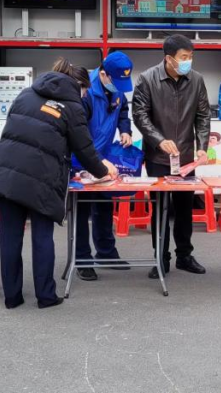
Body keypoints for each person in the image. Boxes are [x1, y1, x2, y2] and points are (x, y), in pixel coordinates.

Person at [0, 59, 118, 309]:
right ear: (78, 85)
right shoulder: (72, 107)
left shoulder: (26, 94)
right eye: (84, 91)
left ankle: (12, 297)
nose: (84, 96)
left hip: (7, 174)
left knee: (10, 238)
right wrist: (103, 171)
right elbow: (85, 150)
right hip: (42, 180)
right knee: (42, 237)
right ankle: (45, 296)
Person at [132, 34, 211, 278]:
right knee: (160, 209)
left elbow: (203, 115)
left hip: (186, 159)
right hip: (158, 157)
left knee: (185, 209)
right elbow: (140, 115)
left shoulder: (196, 80)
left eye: (191, 56)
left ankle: (184, 256)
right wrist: (158, 140)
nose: (188, 61)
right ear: (169, 58)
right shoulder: (147, 79)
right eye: (184, 57)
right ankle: (161, 259)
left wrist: (202, 146)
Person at [74, 52, 136, 281]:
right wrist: (95, 160)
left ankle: (106, 253)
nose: (119, 87)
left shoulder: (116, 88)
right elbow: (79, 133)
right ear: (102, 74)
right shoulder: (86, 93)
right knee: (81, 211)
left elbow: (123, 111)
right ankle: (82, 260)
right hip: (82, 158)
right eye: (115, 81)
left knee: (104, 206)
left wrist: (125, 130)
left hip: (105, 156)